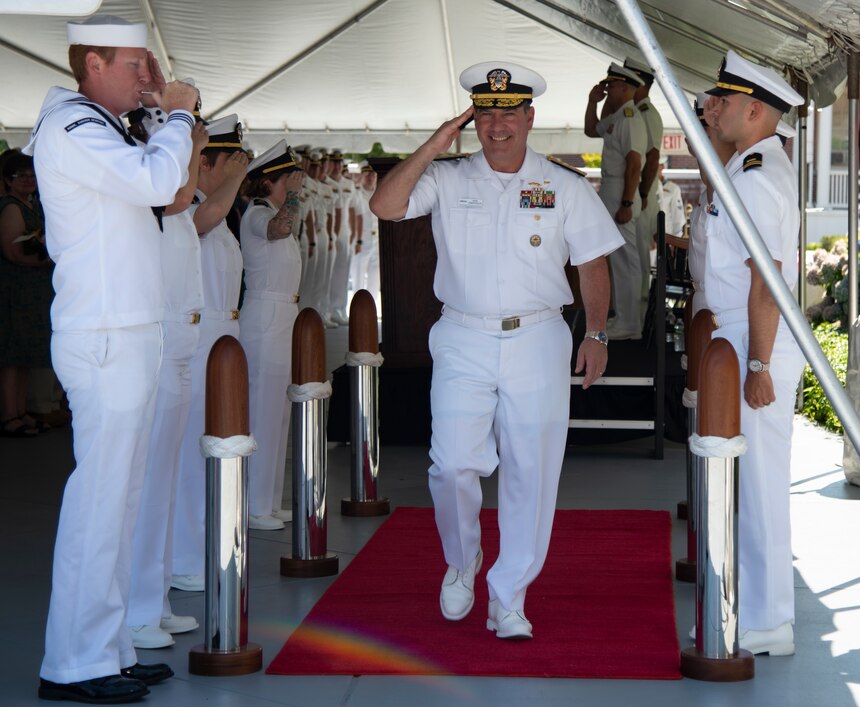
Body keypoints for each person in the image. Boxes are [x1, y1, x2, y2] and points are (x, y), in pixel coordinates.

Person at [370, 61, 621, 639]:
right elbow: (385, 206)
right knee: (453, 463)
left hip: (538, 335)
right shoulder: (448, 178)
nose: (498, 125)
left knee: (532, 471)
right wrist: (437, 143)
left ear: (530, 117)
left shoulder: (563, 185)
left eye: (510, 112)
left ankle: (510, 595)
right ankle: (463, 561)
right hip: (463, 334)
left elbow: (593, 262)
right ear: (472, 120)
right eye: (486, 113)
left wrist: (597, 333)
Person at [24, 13, 198, 703]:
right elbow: (161, 185)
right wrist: (180, 116)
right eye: (135, 66)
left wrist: (158, 113)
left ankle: (110, 646)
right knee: (99, 504)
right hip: (104, 337)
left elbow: (161, 184)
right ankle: (74, 662)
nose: (146, 79)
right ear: (92, 63)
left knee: (121, 502)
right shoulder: (73, 128)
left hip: (128, 333)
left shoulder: (104, 127)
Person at [702, 49, 805, 656]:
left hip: (755, 332)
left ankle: (771, 619)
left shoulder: (760, 174)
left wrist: (760, 363)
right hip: (742, 331)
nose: (715, 108)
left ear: (755, 108)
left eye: (725, 100)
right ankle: (759, 607)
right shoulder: (746, 165)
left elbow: (765, 277)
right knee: (747, 479)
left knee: (762, 481)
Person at [126, 109, 209, 650]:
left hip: (180, 344)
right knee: (147, 484)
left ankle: (153, 601)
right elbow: (177, 197)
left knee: (164, 484)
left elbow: (187, 199)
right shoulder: (150, 180)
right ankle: (135, 610)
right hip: (158, 343)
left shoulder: (173, 181)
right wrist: (195, 147)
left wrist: (193, 151)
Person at [172, 115, 249, 584]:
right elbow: (206, 219)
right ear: (204, 162)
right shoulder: (188, 208)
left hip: (223, 340)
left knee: (219, 448)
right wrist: (239, 178)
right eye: (231, 159)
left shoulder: (214, 209)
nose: (237, 168)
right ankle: (183, 558)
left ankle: (205, 547)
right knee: (190, 454)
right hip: (199, 343)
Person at [239, 141, 305, 528]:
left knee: (279, 414)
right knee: (263, 412)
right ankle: (253, 505)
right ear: (270, 182)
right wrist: (293, 197)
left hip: (284, 315)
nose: (292, 186)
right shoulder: (257, 214)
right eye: (287, 180)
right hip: (265, 316)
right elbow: (279, 230)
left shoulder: (271, 210)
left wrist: (292, 197)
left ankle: (268, 499)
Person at [584, 63, 647, 340]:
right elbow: (591, 130)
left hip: (622, 189)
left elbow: (635, 163)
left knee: (626, 259)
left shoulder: (631, 117)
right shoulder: (618, 115)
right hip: (612, 188)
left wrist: (627, 203)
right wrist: (592, 102)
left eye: (611, 86)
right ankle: (624, 318)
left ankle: (631, 324)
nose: (607, 89)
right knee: (617, 257)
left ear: (625, 88)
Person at [0, 151, 52, 437]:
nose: (29, 180)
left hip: (33, 289)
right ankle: (10, 415)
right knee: (12, 355)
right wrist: (45, 259)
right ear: (8, 180)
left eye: (32, 175)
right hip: (15, 289)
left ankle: (21, 411)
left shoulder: (32, 205)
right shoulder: (10, 207)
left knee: (25, 356)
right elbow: (13, 252)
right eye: (22, 176)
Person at [623, 57, 664, 318]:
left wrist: (644, 193)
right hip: (642, 192)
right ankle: (633, 313)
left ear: (640, 84)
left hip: (644, 194)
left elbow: (652, 157)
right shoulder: (636, 112)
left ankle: (636, 314)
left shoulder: (647, 113)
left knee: (636, 254)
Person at [657, 157, 685, 238]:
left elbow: (678, 217)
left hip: (667, 238)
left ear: (662, 166)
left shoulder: (673, 189)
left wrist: (676, 239)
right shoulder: (646, 188)